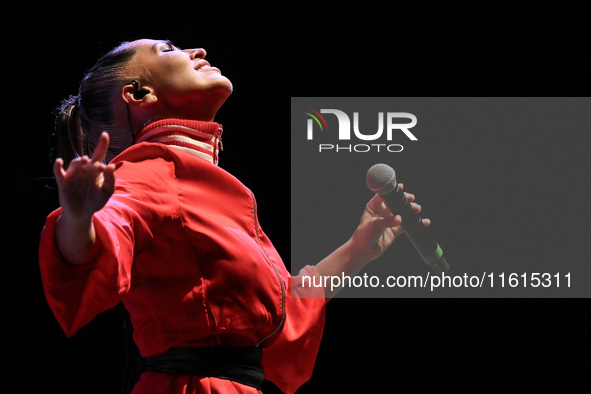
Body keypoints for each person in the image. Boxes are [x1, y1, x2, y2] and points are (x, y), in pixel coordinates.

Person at [39, 39, 429, 394]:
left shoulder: (211, 185)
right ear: (140, 93)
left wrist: (358, 249)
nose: (198, 50)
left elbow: (278, 316)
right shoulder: (146, 173)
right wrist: (78, 217)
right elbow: (98, 244)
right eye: (169, 48)